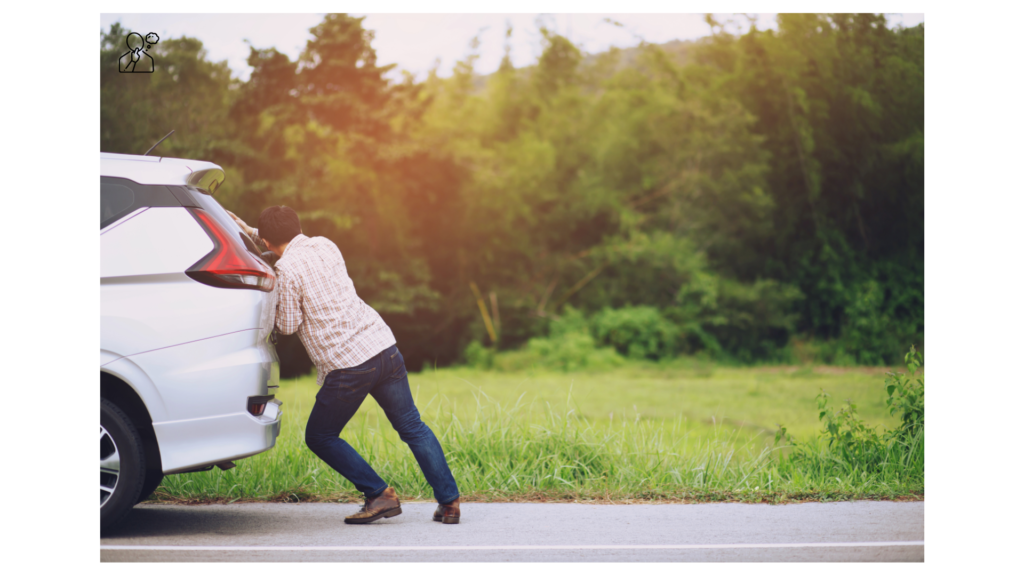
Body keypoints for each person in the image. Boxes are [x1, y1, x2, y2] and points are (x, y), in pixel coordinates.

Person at [228, 206, 461, 525]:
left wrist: (272, 301)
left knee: (320, 436)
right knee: (412, 426)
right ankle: (450, 504)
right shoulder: (325, 244)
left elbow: (288, 324)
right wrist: (249, 230)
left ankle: (380, 494)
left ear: (267, 242)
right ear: (297, 226)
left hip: (348, 365)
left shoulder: (286, 270)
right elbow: (281, 241)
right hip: (382, 346)